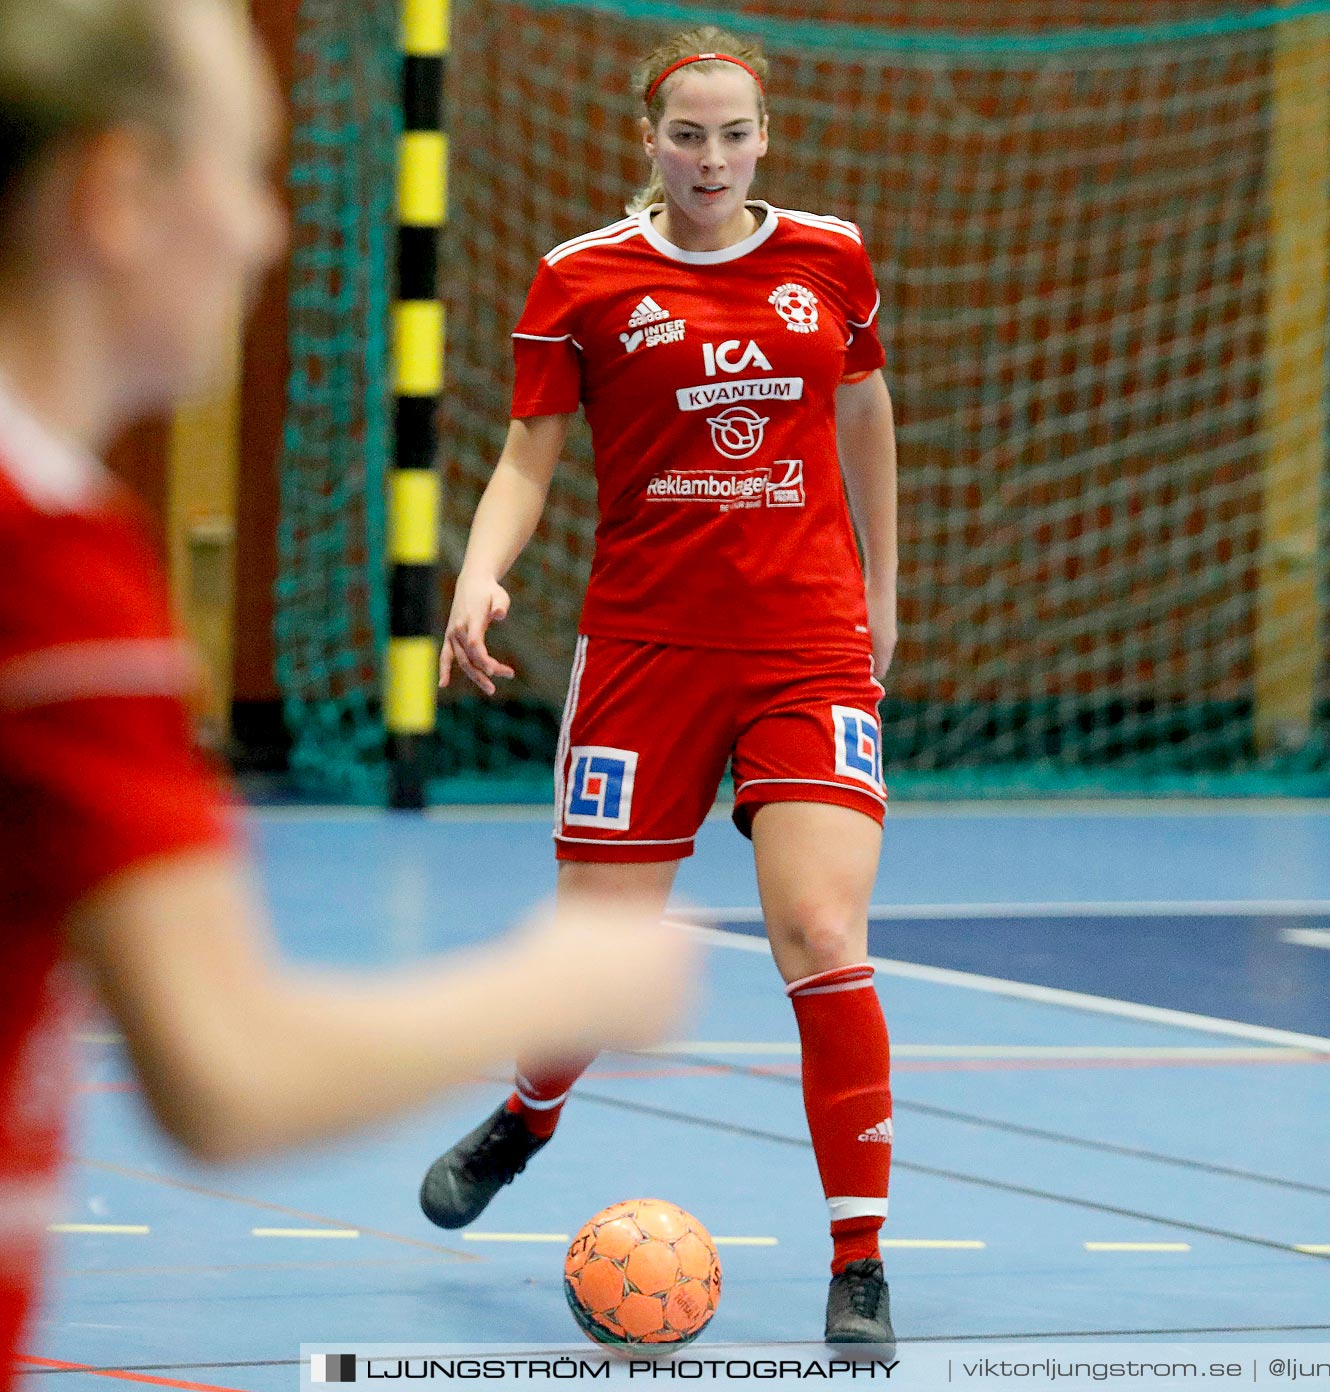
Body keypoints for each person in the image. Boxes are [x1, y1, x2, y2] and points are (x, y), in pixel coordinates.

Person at [0, 1, 694, 1377]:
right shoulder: (53, 579)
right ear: (118, 194)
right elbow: (226, 1070)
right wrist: (554, 980)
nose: (266, 234)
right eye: (241, 174)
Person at [421, 26, 901, 1346]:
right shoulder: (583, 280)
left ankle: (858, 1261)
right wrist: (479, 573)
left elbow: (866, 415)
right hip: (643, 651)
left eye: (734, 133)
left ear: (765, 135)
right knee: (596, 956)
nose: (710, 157)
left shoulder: (829, 259)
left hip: (804, 639)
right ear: (649, 138)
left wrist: (886, 592)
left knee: (821, 933)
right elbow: (530, 454)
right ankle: (529, 1112)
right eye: (686, 134)